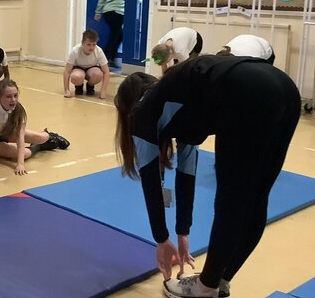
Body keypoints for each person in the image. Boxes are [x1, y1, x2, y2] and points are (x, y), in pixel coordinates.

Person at [114, 56, 300, 298]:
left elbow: (150, 181)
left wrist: (161, 239)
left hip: (246, 90)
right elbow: (185, 175)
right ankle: (220, 280)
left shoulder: (142, 112)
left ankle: (206, 286)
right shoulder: (180, 100)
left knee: (231, 201)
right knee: (255, 198)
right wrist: (182, 234)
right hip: (285, 88)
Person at [0, 79, 69, 175]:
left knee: (41, 138)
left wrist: (20, 164)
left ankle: (50, 136)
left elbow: (20, 137)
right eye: (8, 97)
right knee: (25, 154)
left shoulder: (19, 110)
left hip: (8, 132)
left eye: (15, 95)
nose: (13, 100)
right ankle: (38, 147)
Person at [63, 29, 110, 99]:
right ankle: (79, 86)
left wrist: (103, 91)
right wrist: (66, 90)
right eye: (88, 44)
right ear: (82, 43)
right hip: (78, 68)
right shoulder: (75, 51)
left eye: (94, 44)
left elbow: (106, 72)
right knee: (77, 76)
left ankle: (90, 86)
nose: (91, 47)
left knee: (98, 74)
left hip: (92, 69)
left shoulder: (99, 51)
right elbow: (67, 71)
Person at [94, 0, 126, 67]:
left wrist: (98, 12)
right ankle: (105, 59)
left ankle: (111, 57)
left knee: (119, 35)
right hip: (119, 13)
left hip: (108, 12)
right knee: (114, 36)